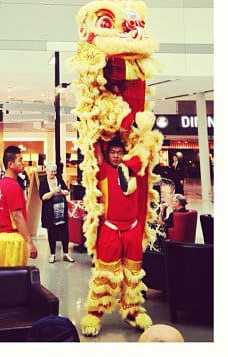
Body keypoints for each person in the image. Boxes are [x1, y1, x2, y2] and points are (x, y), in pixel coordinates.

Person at [81, 137, 151, 337]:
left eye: (120, 152)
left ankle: (132, 311)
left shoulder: (136, 170)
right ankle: (94, 313)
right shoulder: (103, 169)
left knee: (133, 275)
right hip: (110, 229)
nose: (116, 155)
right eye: (112, 152)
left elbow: (143, 150)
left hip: (133, 229)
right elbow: (96, 145)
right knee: (104, 275)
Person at [0, 146, 38, 266]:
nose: (23, 163)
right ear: (10, 164)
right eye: (20, 160)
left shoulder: (2, 183)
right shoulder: (12, 186)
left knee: (5, 278)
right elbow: (17, 216)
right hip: (13, 241)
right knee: (15, 280)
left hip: (4, 240)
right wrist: (29, 242)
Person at [39, 163, 74, 263]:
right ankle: (52, 254)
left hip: (61, 210)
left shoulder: (58, 178)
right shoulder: (43, 181)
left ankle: (66, 254)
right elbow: (43, 197)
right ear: (47, 171)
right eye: (51, 171)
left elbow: (67, 191)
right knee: (52, 232)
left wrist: (61, 192)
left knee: (64, 232)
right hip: (50, 211)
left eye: (55, 171)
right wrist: (53, 191)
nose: (53, 173)